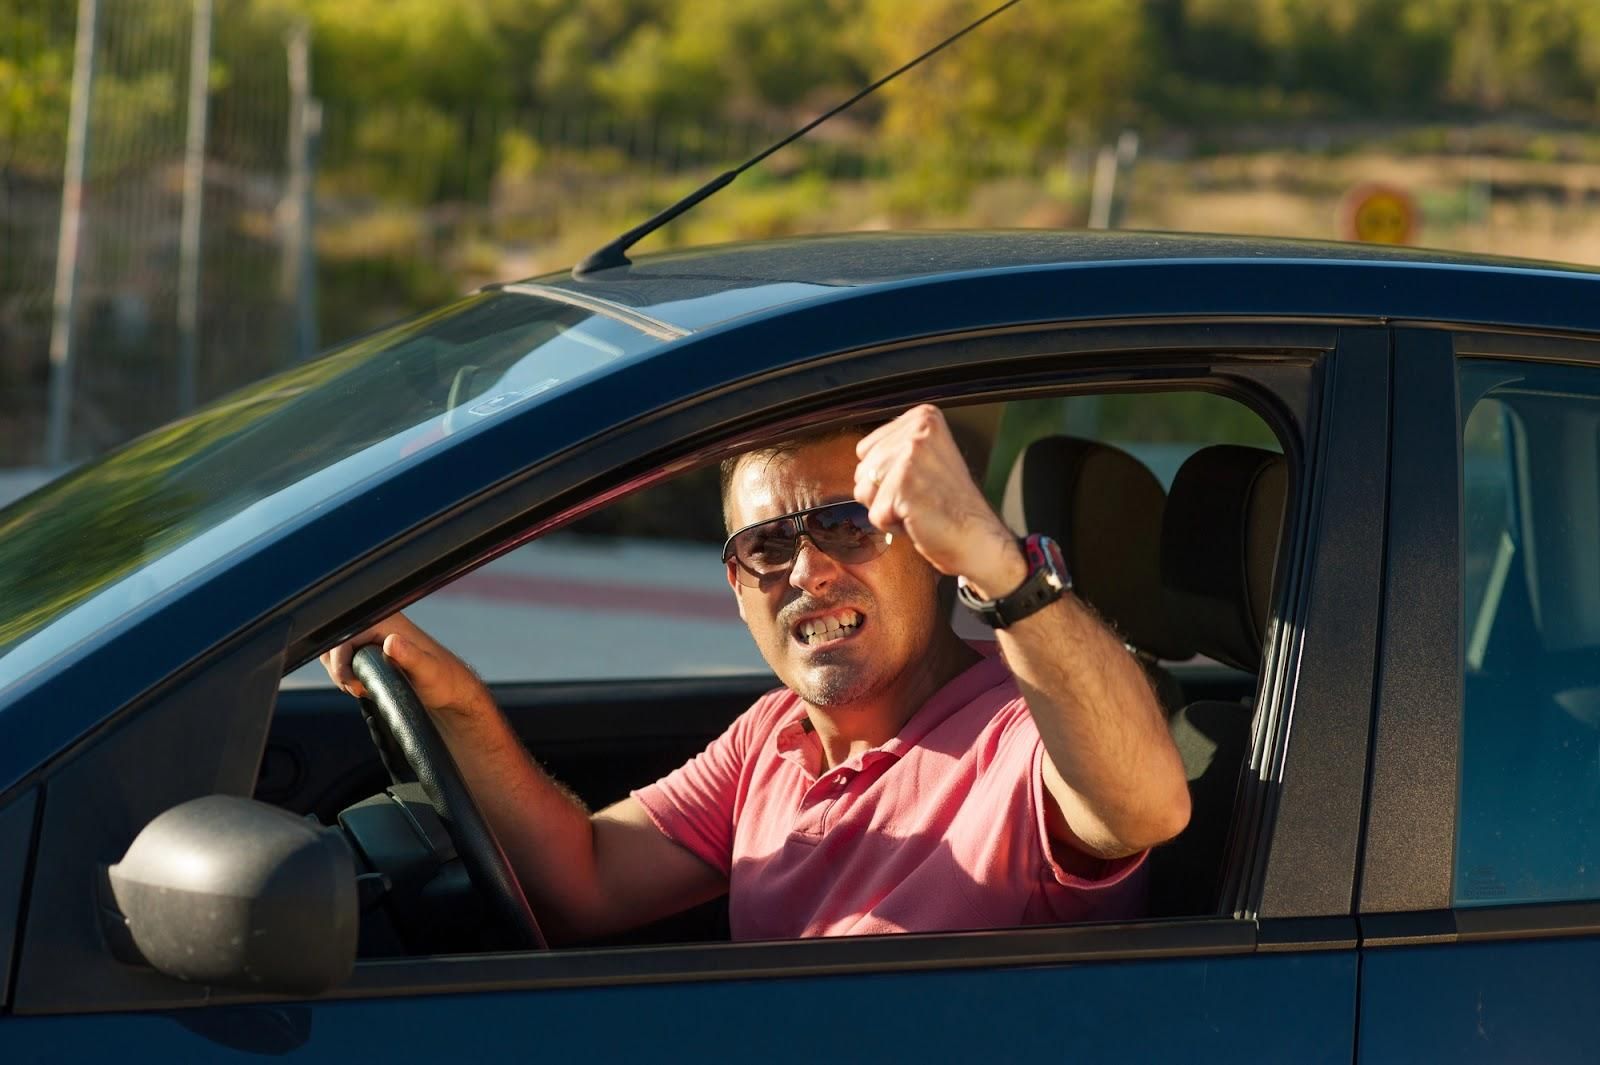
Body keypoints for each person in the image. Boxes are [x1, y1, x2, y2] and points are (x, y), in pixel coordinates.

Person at [322, 405, 1190, 942]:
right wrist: (458, 703)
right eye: (769, 545)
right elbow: (583, 878)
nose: (808, 571)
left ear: (929, 549)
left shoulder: (1018, 737)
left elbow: (1147, 804)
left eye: (848, 526)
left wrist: (1001, 566)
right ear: (738, 588)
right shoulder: (771, 738)